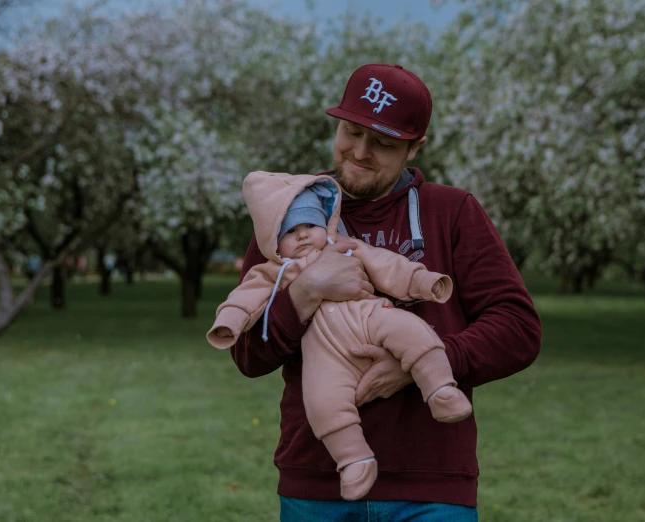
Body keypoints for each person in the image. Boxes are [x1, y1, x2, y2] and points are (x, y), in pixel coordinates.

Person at [232, 63, 542, 521]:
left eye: (383, 143)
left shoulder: (452, 212)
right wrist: (306, 292)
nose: (359, 152)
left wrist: (423, 361)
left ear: (415, 147)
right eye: (350, 132)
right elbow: (247, 354)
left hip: (431, 486)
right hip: (316, 483)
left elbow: (518, 328)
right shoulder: (287, 216)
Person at [207, 172, 473, 500]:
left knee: (412, 332)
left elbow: (389, 266)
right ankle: (354, 460)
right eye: (290, 231)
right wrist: (229, 322)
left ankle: (440, 389)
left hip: (370, 317)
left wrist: (423, 282)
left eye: (310, 226)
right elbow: (244, 299)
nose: (303, 235)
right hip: (324, 351)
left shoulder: (347, 248)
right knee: (321, 401)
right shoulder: (272, 272)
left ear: (326, 226)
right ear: (273, 241)